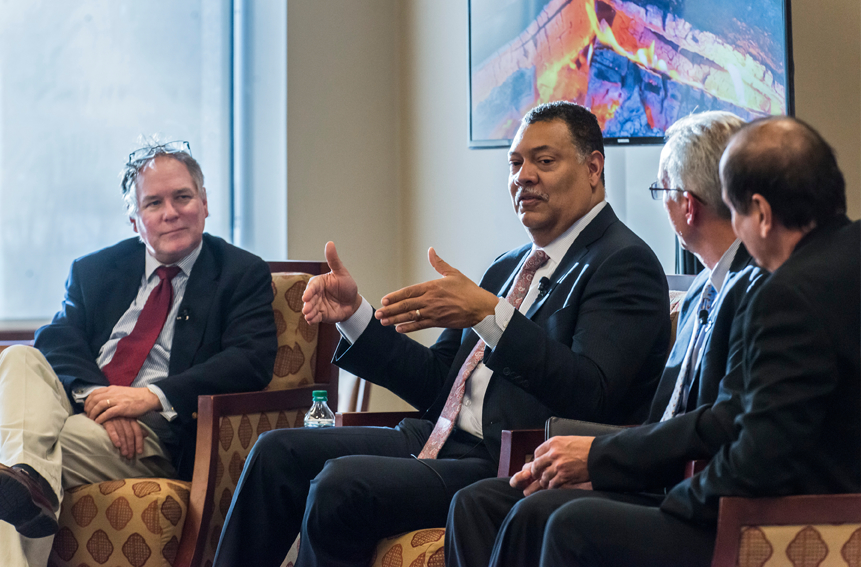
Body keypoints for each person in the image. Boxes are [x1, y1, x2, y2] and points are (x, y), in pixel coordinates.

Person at [212, 102, 670, 567]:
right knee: (277, 452)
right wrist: (354, 316)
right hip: (434, 436)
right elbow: (437, 384)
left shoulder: (622, 263)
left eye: (544, 161)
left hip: (502, 461)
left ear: (593, 167)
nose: (523, 177)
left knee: (340, 484)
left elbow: (590, 393)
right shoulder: (507, 266)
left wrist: (492, 316)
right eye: (515, 163)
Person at [491, 116, 858, 567]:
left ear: (760, 214)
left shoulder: (784, 294)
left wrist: (670, 502)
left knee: (571, 527)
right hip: (814, 503)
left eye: (736, 212)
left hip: (795, 522)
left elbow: (756, 453)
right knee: (545, 514)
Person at [445, 110, 766, 567]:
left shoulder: (751, 287)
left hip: (708, 496)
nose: (523, 177)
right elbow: (668, 416)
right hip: (656, 470)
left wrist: (602, 461)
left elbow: (719, 423)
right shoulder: (701, 291)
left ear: (687, 205)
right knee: (483, 502)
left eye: (662, 191)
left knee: (545, 516)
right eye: (515, 163)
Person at [0, 140, 278, 567]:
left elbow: (250, 360)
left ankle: (24, 473)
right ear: (135, 220)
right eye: (154, 203)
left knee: (20, 453)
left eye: (182, 197)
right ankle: (26, 476)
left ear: (204, 203)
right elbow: (57, 337)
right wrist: (98, 396)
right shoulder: (95, 270)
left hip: (161, 434)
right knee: (18, 359)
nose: (171, 212)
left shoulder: (241, 274)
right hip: (87, 410)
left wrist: (150, 397)